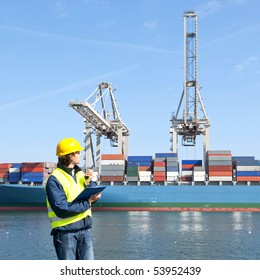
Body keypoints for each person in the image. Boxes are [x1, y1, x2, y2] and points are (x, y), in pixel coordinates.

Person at [45, 137, 101, 260]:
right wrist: (89, 202)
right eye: (78, 152)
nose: (80, 155)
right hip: (66, 233)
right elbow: (61, 209)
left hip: (85, 231)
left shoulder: (80, 174)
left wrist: (91, 184)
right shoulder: (54, 179)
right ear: (70, 155)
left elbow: (88, 196)